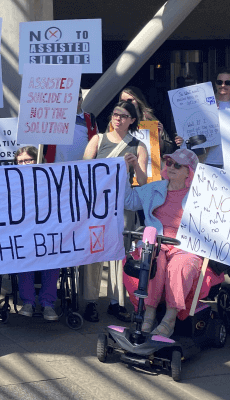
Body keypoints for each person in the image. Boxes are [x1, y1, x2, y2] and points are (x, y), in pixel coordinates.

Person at [123, 149, 224, 337]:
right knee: (152, 258)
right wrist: (125, 171)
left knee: (182, 264)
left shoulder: (201, 194)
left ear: (189, 171)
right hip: (156, 241)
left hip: (185, 245)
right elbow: (128, 200)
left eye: (178, 165)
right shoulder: (155, 188)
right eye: (169, 163)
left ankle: (170, 318)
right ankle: (149, 313)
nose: (171, 167)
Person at [81, 100, 148, 323]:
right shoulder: (97, 139)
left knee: (119, 254)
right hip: (98, 206)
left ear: (132, 120)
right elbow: (84, 170)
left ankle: (116, 302)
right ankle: (90, 300)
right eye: (115, 114)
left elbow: (142, 179)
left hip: (121, 206)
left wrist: (134, 165)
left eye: (123, 116)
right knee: (94, 251)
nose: (117, 118)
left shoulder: (138, 146)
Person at [13, 146, 60, 322]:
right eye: (20, 162)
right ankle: (28, 301)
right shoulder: (11, 183)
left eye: (28, 160)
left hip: (47, 232)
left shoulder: (51, 180)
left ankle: (48, 302)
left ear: (37, 160)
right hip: (23, 233)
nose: (24, 164)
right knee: (24, 258)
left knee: (53, 257)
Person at [175, 67, 230, 169]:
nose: (223, 85)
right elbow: (191, 129)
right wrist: (183, 139)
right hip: (206, 161)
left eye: (227, 82)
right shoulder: (202, 104)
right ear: (215, 84)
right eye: (219, 82)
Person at [119, 86, 177, 158]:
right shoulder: (116, 121)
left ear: (138, 100)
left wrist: (158, 139)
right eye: (122, 101)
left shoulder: (149, 120)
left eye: (130, 100)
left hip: (148, 166)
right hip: (124, 165)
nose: (126, 104)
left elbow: (169, 149)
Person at [44, 88, 99, 163]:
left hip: (82, 167)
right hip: (57, 167)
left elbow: (95, 143)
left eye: (78, 98)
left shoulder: (90, 118)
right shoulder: (55, 116)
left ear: (81, 100)